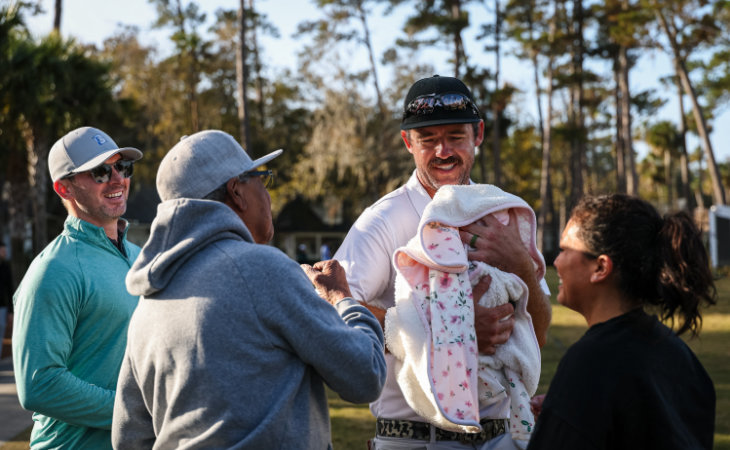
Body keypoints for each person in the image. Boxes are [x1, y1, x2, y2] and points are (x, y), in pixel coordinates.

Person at [111, 130, 386, 449]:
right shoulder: (263, 269)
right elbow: (364, 376)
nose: (268, 196)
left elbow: (128, 436)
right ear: (237, 192)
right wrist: (342, 298)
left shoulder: (148, 301)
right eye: (262, 179)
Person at [333, 75, 552, 449]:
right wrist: (455, 332)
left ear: (478, 134)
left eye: (455, 136)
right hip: (417, 439)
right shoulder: (384, 220)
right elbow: (335, 310)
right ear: (408, 142)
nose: (443, 151)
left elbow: (541, 333)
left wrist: (521, 265)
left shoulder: (502, 212)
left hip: (502, 438)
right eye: (428, 139)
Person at [527, 194, 716, 450]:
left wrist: (571, 405)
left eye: (565, 250)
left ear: (601, 268)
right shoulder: (679, 355)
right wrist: (569, 410)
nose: (556, 262)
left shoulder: (591, 362)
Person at [12, 126, 143, 449]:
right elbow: (39, 383)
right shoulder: (53, 270)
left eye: (122, 167)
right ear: (64, 188)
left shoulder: (141, 257)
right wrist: (136, 412)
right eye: (100, 172)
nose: (117, 179)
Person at [0, 242, 13, 351]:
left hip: (2, 307)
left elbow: (10, 289)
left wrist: (10, 311)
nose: (5, 253)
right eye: (3, 250)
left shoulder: (6, 267)